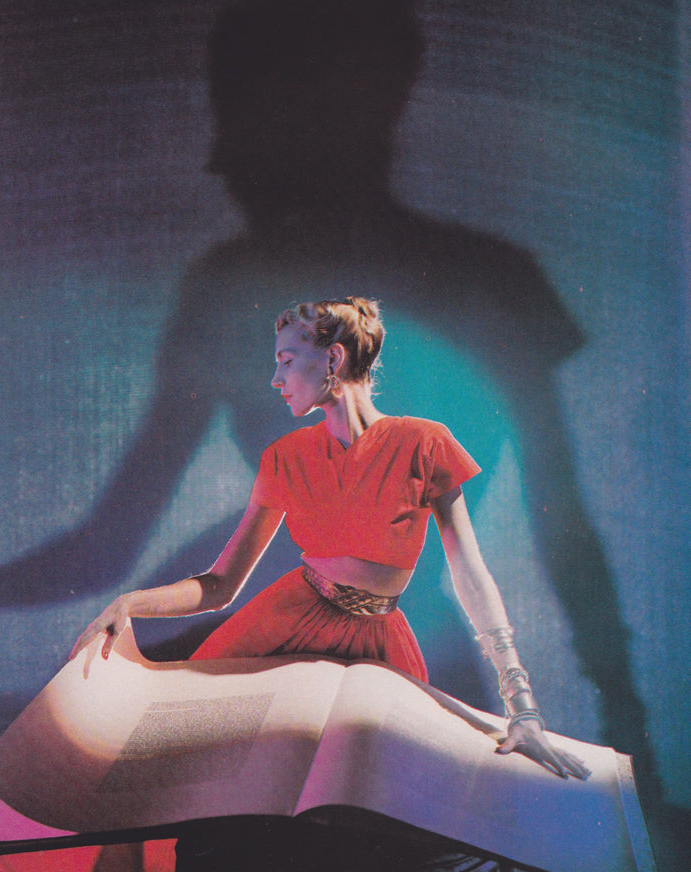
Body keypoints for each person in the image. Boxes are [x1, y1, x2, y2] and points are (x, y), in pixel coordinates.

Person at [72, 298, 588, 805]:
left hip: (380, 648)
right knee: (227, 796)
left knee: (371, 809)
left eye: (286, 361)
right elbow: (220, 586)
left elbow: (470, 575)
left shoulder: (425, 443)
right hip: (282, 633)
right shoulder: (285, 456)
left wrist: (523, 709)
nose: (275, 379)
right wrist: (131, 604)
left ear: (333, 359)